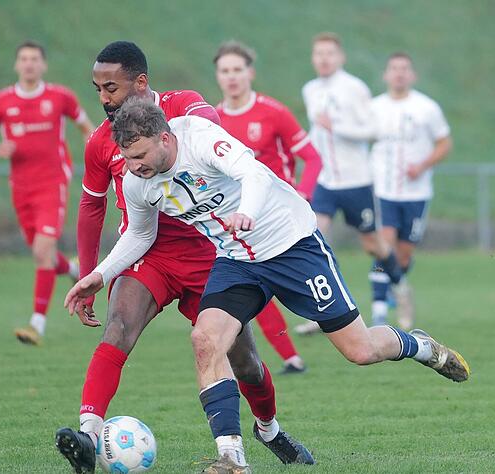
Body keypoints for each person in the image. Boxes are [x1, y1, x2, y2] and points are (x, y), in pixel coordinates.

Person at [65, 99, 470, 473]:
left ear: (165, 139)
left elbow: (252, 172)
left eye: (139, 156)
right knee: (205, 339)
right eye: (127, 158)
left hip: (293, 246)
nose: (133, 166)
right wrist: (99, 275)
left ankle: (420, 346)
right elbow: (140, 234)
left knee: (360, 350)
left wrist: (247, 212)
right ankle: (232, 458)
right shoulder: (137, 182)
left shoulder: (199, 139)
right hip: (237, 261)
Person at [54, 41, 312, 474]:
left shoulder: (185, 107)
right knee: (118, 328)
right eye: (97, 89)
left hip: (210, 256)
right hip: (146, 253)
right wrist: (90, 275)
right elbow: (91, 208)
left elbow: (211, 132)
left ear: (141, 83)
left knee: (245, 362)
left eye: (111, 88)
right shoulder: (101, 142)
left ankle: (269, 430)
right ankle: (88, 436)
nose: (104, 99)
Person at [0, 40, 94, 345]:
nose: (29, 64)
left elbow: (87, 128)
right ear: (17, 65)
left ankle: (37, 323)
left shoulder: (60, 97)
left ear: (43, 65)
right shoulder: (1, 101)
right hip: (21, 187)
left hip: (52, 183)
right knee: (44, 254)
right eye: (24, 59)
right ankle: (73, 269)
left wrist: (96, 155)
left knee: (42, 251)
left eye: (34, 59)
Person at [214, 40, 323, 374]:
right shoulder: (212, 120)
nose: (232, 77)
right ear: (218, 76)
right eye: (225, 71)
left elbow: (312, 158)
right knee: (253, 288)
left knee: (307, 287)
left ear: (250, 73)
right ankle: (291, 357)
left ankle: (339, 323)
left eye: (237, 69)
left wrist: (303, 193)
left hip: (282, 218)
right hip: (242, 221)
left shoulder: (273, 112)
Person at [296, 32, 402, 335]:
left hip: (356, 181)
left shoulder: (354, 88)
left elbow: (373, 131)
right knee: (311, 237)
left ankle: (400, 285)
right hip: (325, 181)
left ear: (340, 57)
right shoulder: (310, 89)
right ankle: (323, 311)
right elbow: (317, 131)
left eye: (329, 53)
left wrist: (337, 126)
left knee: (373, 245)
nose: (324, 59)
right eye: (319, 53)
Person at [369, 52, 452, 328]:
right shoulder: (373, 108)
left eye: (404, 68)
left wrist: (423, 165)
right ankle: (379, 311)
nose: (399, 73)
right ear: (386, 75)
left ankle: (398, 285)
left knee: (403, 255)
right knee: (384, 246)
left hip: (417, 193)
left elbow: (444, 143)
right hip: (383, 191)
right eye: (394, 68)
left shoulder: (426, 108)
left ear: (412, 75)